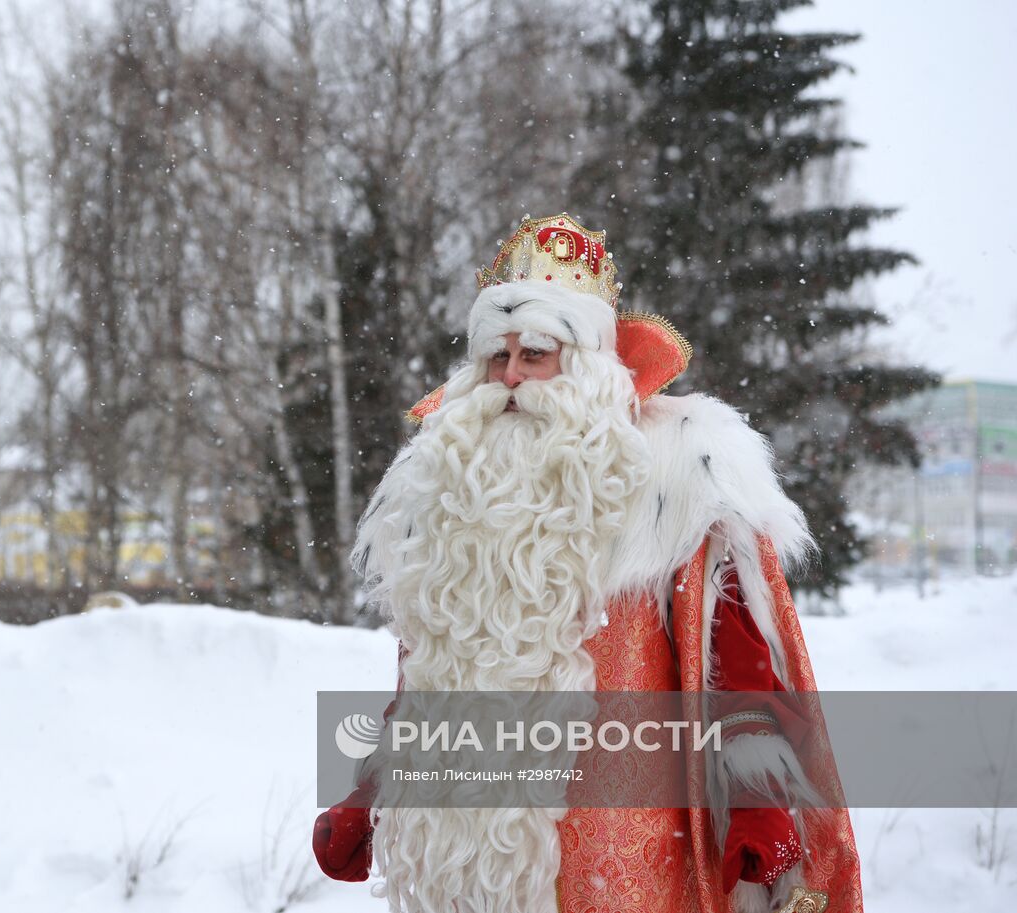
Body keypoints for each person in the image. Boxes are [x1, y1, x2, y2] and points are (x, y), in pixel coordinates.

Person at [312, 214, 862, 913]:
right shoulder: (453, 487)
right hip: (481, 872)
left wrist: (758, 796)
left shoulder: (677, 479)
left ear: (587, 362)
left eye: (534, 353)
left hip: (630, 863)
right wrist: (373, 795)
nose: (510, 377)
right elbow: (431, 678)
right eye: (496, 356)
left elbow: (737, 662)